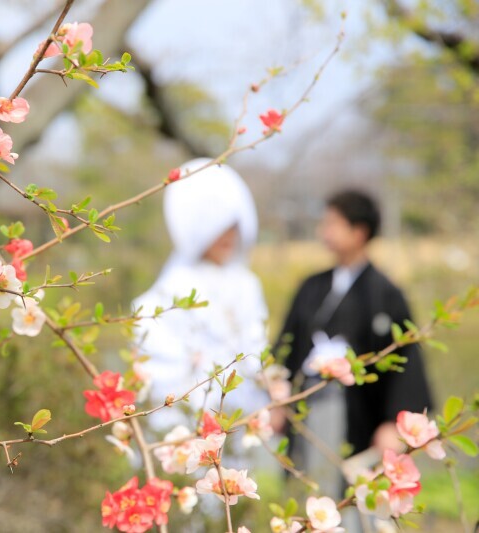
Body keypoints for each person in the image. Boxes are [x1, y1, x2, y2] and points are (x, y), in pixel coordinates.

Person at [276, 190, 432, 508]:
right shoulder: (311, 286)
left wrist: (393, 423)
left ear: (359, 231)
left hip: (358, 413)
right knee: (306, 489)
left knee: (349, 496)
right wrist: (278, 393)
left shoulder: (386, 294)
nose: (324, 232)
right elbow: (285, 346)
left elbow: (404, 358)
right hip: (308, 406)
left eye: (333, 224)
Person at [133, 159, 269, 432]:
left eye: (234, 226)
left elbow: (256, 347)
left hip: (239, 419)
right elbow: (161, 366)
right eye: (219, 227)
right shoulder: (170, 289)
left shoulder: (247, 284)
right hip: (189, 423)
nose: (228, 236)